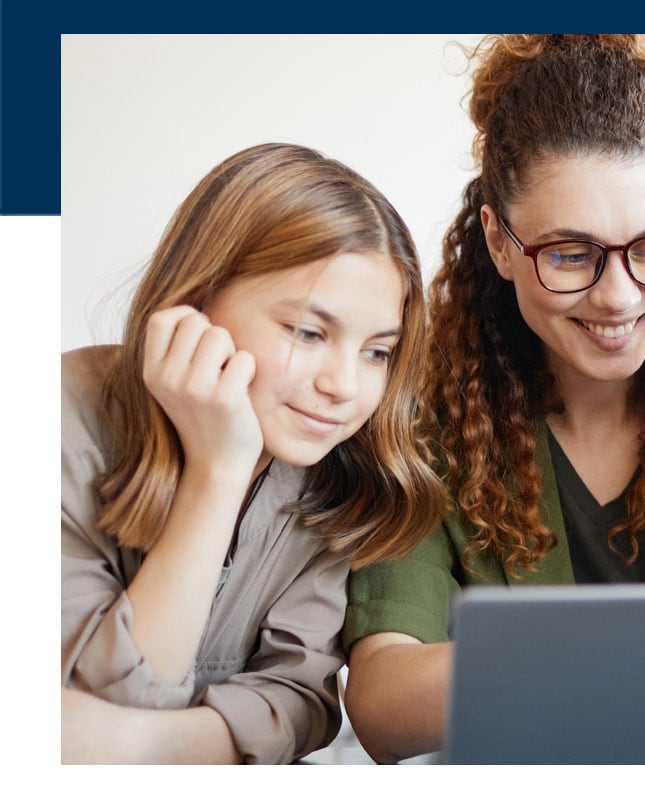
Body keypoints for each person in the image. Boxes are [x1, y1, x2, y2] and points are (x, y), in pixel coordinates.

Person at [341, 34, 645, 763]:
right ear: (499, 242)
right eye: (569, 254)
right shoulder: (421, 424)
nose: (618, 296)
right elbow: (383, 705)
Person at [60, 142, 445, 764]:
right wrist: (218, 470)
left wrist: (145, 745)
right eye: (308, 333)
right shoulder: (57, 424)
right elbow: (115, 703)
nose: (344, 387)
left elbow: (297, 699)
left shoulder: (336, 476)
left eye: (377, 351)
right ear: (198, 300)